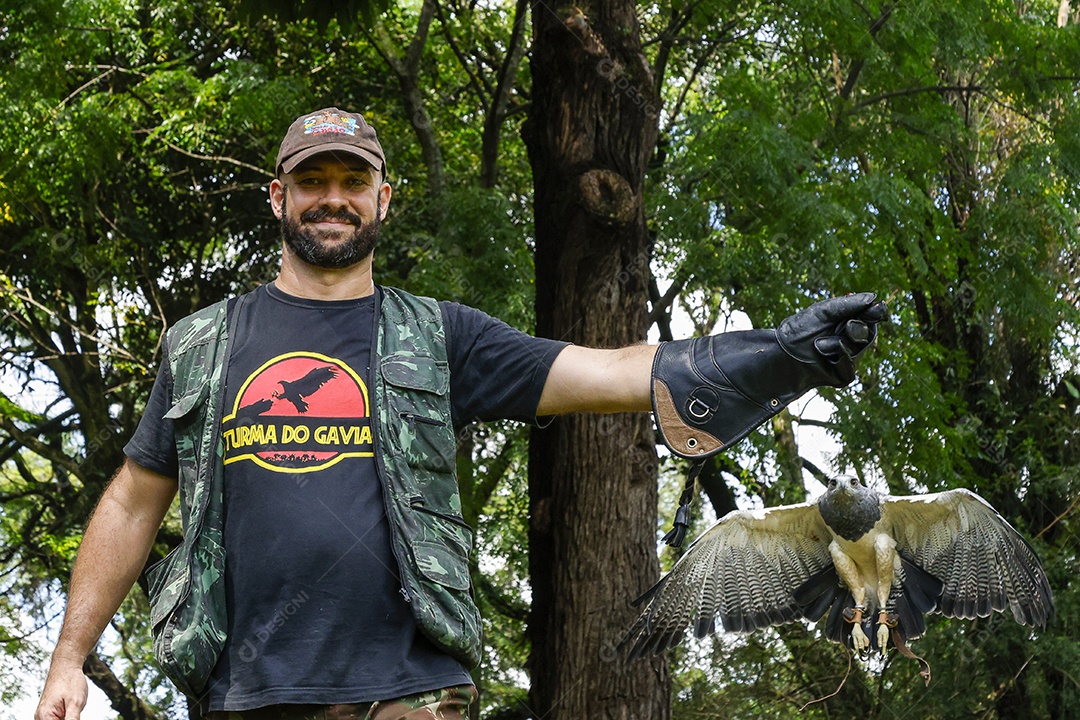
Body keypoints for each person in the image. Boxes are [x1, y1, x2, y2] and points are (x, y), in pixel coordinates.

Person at [35, 107, 887, 720]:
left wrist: (775, 355)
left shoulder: (438, 336)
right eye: (313, 181)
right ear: (278, 196)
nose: (332, 197)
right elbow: (132, 500)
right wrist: (70, 658)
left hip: (414, 690)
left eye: (352, 181)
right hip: (245, 691)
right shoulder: (205, 344)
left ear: (383, 199)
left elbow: (609, 371)